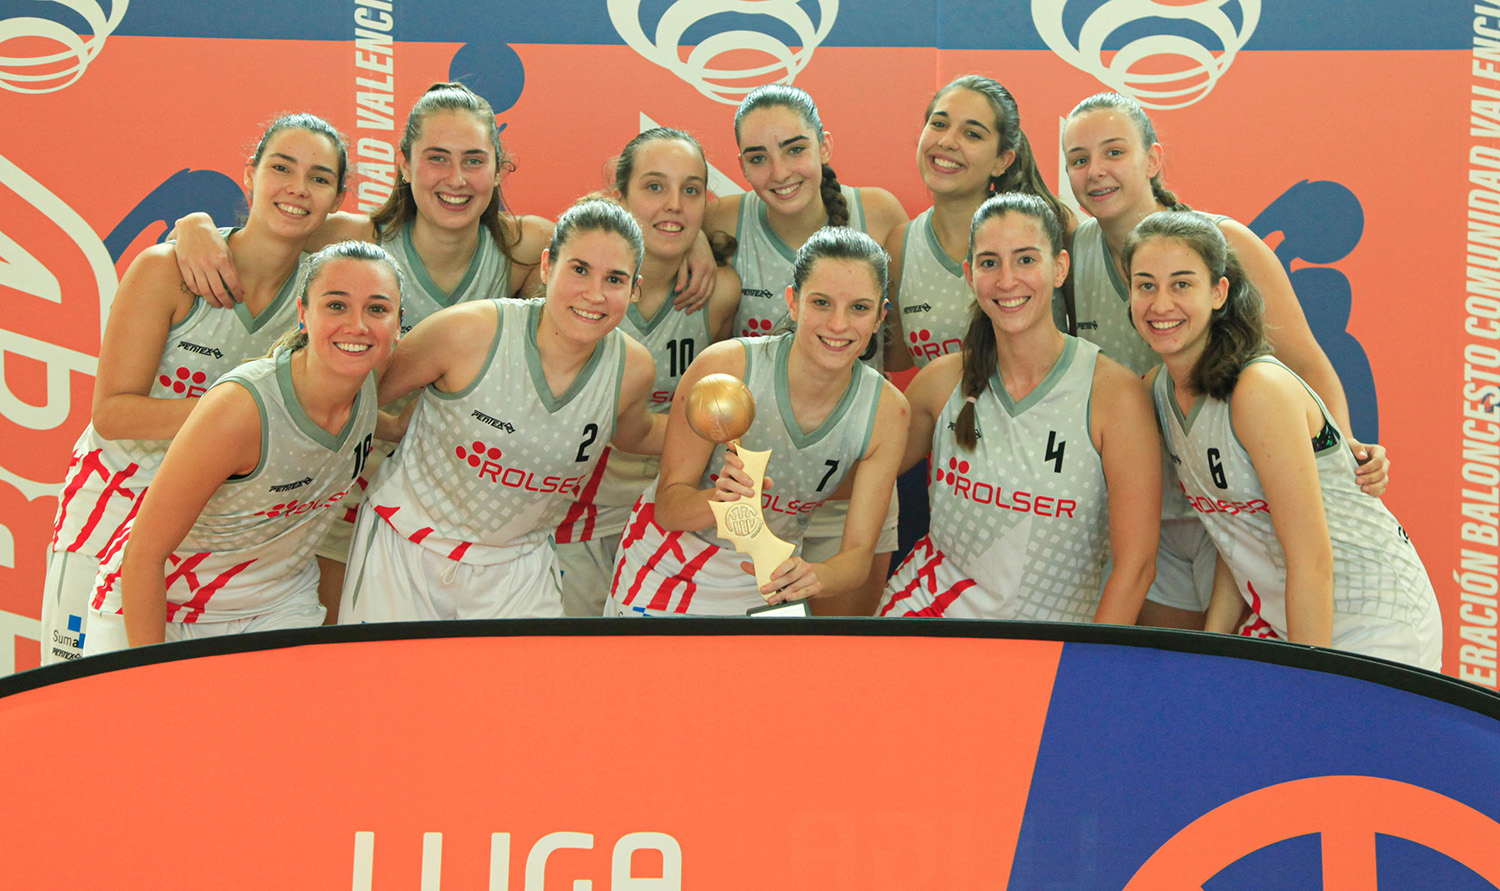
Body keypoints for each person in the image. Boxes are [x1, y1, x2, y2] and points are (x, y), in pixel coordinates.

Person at [169, 82, 556, 616]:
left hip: (452, 512)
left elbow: (605, 259)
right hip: (340, 488)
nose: (456, 178)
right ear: (403, 164)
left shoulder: (524, 248)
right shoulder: (354, 239)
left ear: (499, 169)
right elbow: (259, 229)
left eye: (474, 160)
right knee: (341, 651)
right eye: (436, 158)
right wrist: (193, 228)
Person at [1062, 90, 1388, 629]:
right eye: (1079, 159)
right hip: (1149, 514)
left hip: (1236, 513)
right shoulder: (1072, 256)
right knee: (1173, 672)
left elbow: (1305, 364)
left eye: (1113, 152)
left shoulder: (1225, 241)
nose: (1095, 170)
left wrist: (1343, 450)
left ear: (1153, 159)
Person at [43, 113, 349, 662]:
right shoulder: (168, 269)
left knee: (176, 703)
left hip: (211, 539)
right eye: (281, 168)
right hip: (111, 512)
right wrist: (233, 418)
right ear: (250, 174)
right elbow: (112, 414)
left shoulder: (321, 297)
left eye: (319, 178)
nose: (298, 188)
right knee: (79, 700)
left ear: (337, 199)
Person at [1126, 211, 1440, 669]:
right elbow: (1237, 533)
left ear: (1218, 292)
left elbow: (1311, 560)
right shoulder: (1160, 390)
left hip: (1375, 619)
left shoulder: (1259, 390)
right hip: (1299, 622)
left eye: (1182, 284)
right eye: (1146, 285)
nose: (1161, 304)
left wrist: (1308, 683)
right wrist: (1211, 645)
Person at [339, 198, 665, 622]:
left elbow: (637, 435)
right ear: (547, 266)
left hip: (518, 568)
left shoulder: (632, 369)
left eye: (615, 279)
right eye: (579, 269)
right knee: (385, 671)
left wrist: (721, 437)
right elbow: (347, 396)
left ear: (635, 289)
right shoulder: (467, 331)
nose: (594, 294)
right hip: (407, 547)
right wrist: (390, 427)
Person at [85, 241, 402, 651]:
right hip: (170, 608)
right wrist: (152, 673)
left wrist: (396, 426)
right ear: (303, 314)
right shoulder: (239, 410)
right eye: (336, 305)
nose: (357, 325)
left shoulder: (369, 378)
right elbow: (143, 554)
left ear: (398, 325)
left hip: (279, 603)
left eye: (377, 309)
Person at [879, 193, 1158, 621]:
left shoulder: (1114, 395)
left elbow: (1136, 568)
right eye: (990, 263)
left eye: (1026, 259)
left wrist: (1087, 657)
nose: (1007, 280)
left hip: (1051, 644)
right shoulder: (941, 382)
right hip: (925, 618)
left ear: (1060, 268)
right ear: (970, 274)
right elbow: (858, 477)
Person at [609, 227, 908, 617]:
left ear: (880, 316)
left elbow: (857, 557)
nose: (838, 324)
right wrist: (721, 501)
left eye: (859, 308)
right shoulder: (725, 366)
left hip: (769, 578)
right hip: (669, 566)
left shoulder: (888, 411)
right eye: (821, 302)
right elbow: (668, 508)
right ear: (793, 302)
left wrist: (815, 576)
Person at [707, 83, 907, 611]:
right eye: (758, 158)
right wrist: (692, 258)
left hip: (852, 490)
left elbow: (899, 345)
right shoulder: (722, 221)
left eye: (795, 149)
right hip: (763, 491)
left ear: (825, 146)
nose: (779, 172)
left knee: (844, 651)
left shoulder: (879, 214)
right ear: (741, 167)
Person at [555, 128, 742, 617]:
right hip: (572, 507)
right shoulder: (581, 290)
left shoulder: (719, 293)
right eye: (654, 187)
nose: (674, 204)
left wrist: (692, 240)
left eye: (691, 190)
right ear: (620, 196)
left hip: (668, 508)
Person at [885, 75, 1070, 372]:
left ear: (1002, 160)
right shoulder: (900, 245)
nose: (947, 142)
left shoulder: (1050, 228)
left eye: (972, 134)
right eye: (939, 124)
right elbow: (895, 360)